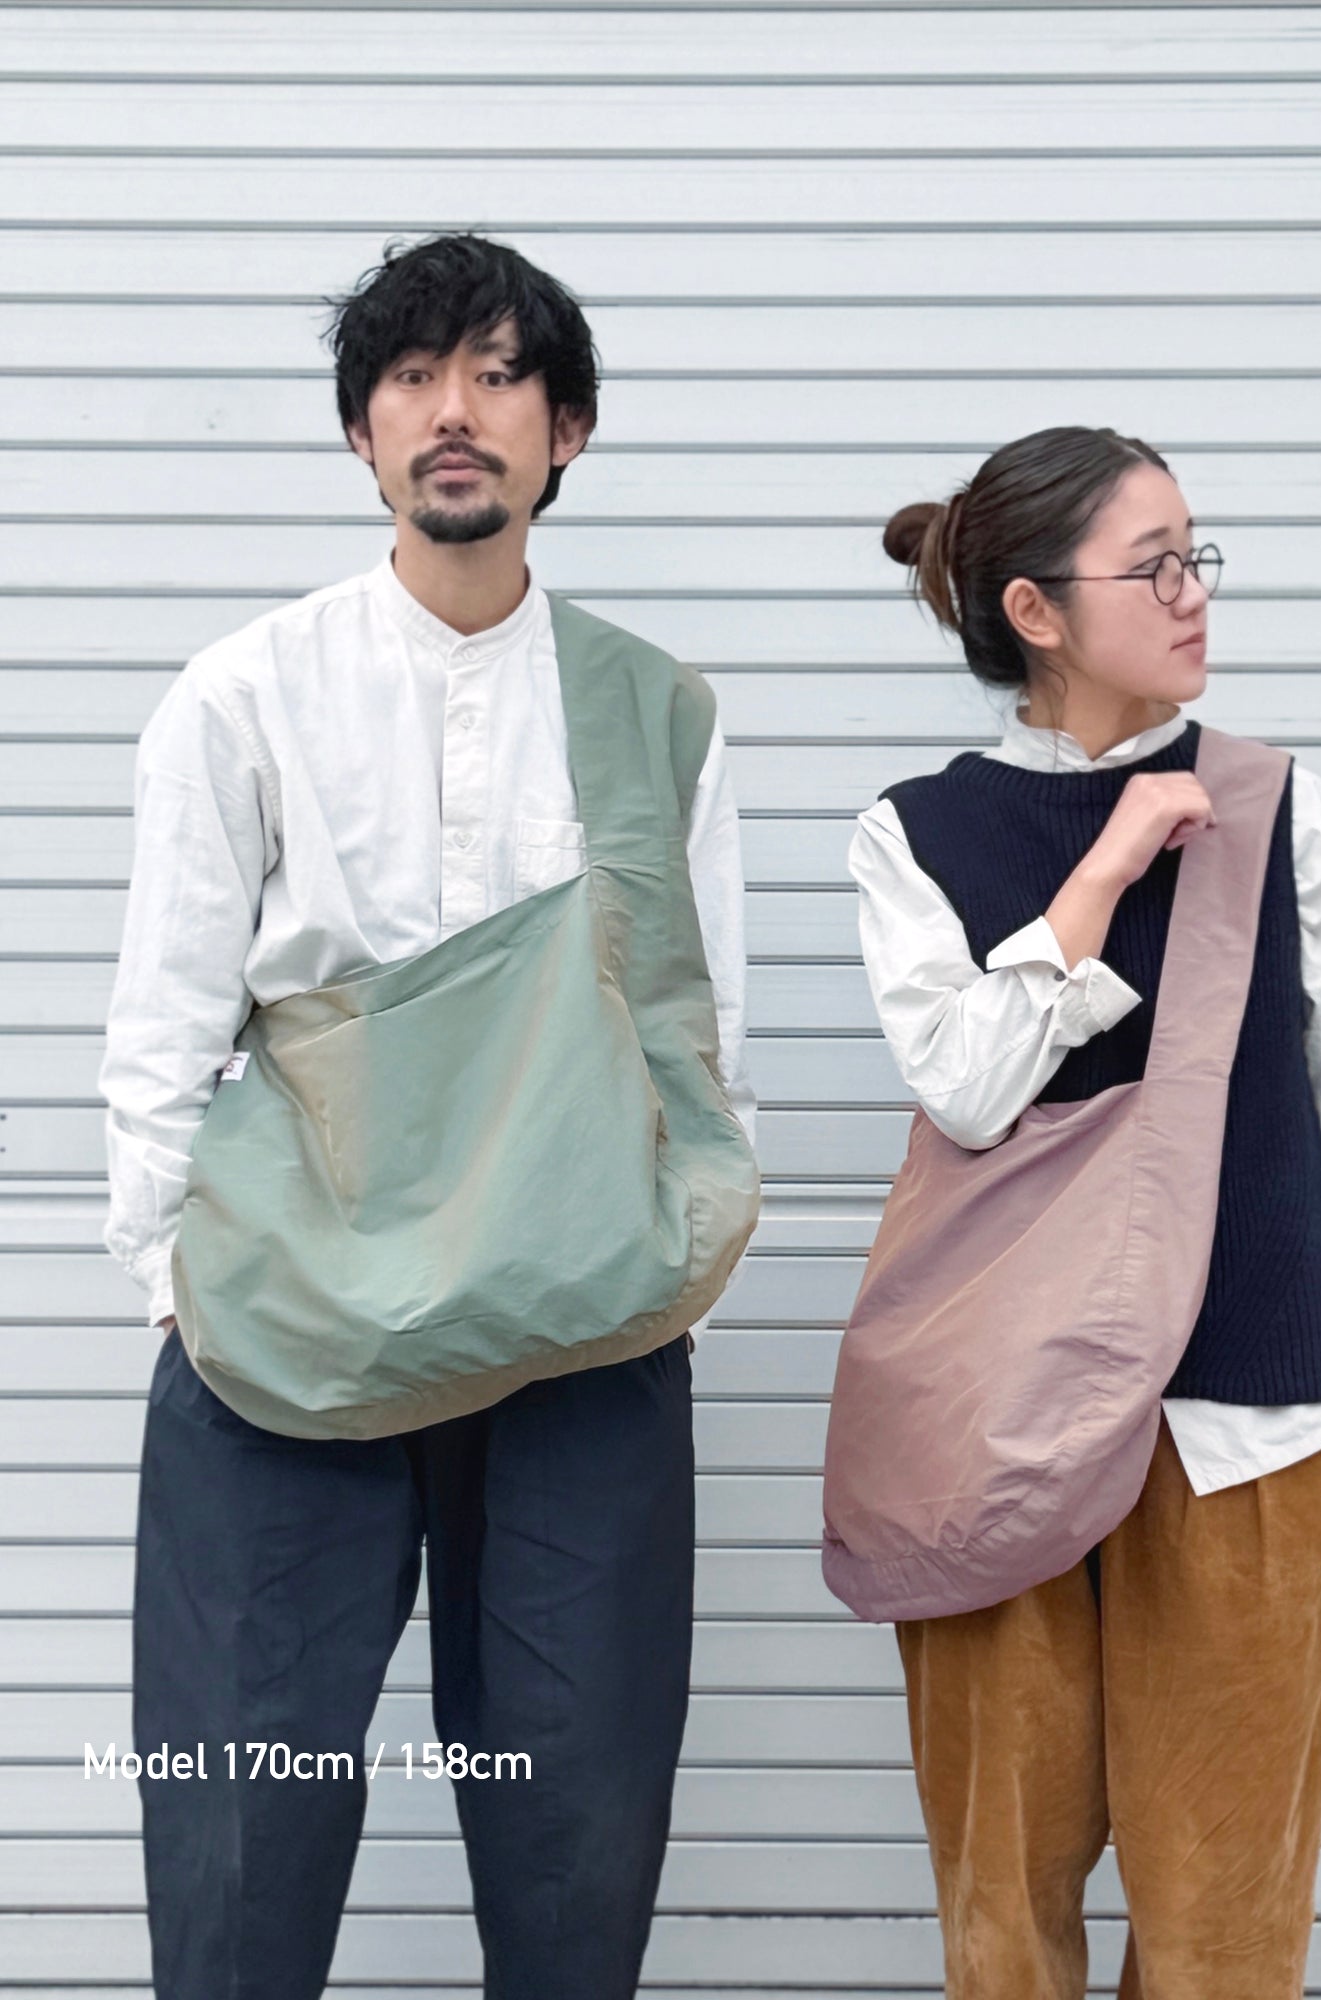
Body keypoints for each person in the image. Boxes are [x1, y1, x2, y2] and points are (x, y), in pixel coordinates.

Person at [99, 232, 756, 2000]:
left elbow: (698, 1038)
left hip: (585, 1335)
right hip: (287, 1331)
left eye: (495, 374)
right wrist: (177, 1288)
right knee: (242, 1832)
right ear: (362, 434)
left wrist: (672, 1277)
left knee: (577, 1837)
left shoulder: (656, 711)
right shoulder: (246, 693)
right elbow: (163, 1029)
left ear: (567, 429)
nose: (451, 410)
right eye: (409, 377)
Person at [845, 425, 1321, 2000]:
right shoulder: (913, 833)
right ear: (1036, 612)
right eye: (1154, 567)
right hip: (999, 1428)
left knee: (1226, 1925)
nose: (1195, 594)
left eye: (1198, 557)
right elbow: (967, 1088)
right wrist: (1106, 873)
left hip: (1255, 1414)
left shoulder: (1286, 810)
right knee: (1004, 1913)